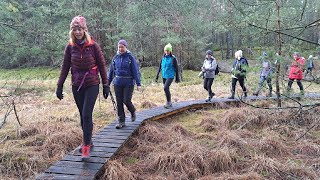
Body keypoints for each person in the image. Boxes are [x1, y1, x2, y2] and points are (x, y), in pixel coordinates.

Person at [56, 15, 110, 158]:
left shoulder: (93, 46)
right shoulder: (70, 47)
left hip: (92, 83)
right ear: (72, 31)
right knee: (82, 115)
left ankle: (86, 147)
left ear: (84, 30)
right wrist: (59, 86)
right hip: (76, 85)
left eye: (79, 29)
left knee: (86, 114)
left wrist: (106, 84)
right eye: (74, 29)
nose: (77, 32)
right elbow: (65, 67)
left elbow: (102, 66)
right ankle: (89, 141)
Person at [108, 39, 141, 129]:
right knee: (119, 103)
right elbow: (111, 71)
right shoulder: (115, 58)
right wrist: (107, 83)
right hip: (117, 83)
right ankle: (121, 121)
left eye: (122, 47)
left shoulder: (130, 58)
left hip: (129, 83)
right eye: (119, 47)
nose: (120, 49)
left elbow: (135, 71)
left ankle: (132, 111)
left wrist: (138, 83)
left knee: (126, 100)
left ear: (126, 47)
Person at [155, 43, 180, 108]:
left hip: (170, 76)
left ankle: (169, 102)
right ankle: (169, 102)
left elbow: (176, 68)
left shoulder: (173, 58)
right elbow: (160, 67)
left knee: (165, 87)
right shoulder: (163, 58)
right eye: (165, 50)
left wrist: (177, 78)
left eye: (168, 51)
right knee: (166, 89)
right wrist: (157, 76)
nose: (167, 52)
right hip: (164, 75)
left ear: (170, 51)